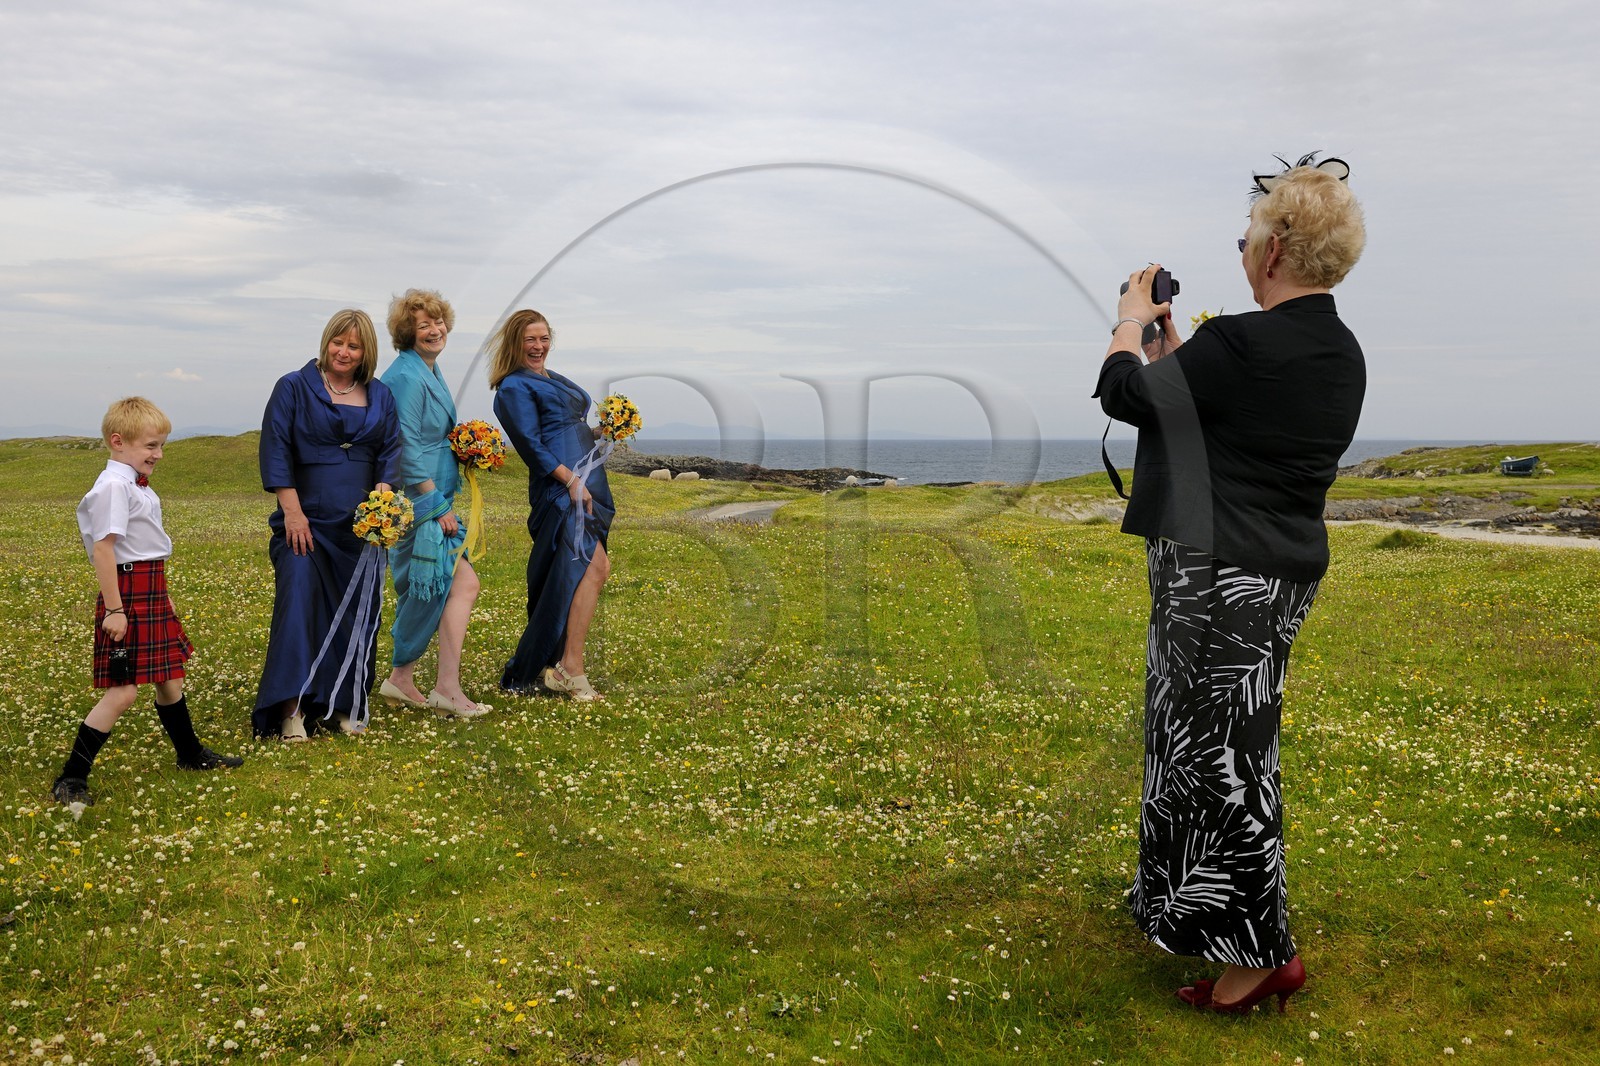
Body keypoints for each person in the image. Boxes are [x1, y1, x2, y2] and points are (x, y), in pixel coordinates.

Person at [1093, 155, 1366, 1013]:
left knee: (1213, 761)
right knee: (1229, 752)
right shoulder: (1336, 349)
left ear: (1275, 248)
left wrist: (1131, 323)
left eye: (1247, 236)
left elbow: (1125, 396)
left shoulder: (1244, 343)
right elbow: (1229, 422)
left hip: (1218, 580)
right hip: (1276, 574)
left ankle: (1257, 958)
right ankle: (1218, 927)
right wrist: (1181, 345)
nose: (1243, 250)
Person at [51, 397, 243, 806]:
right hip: (127, 592)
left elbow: (146, 548)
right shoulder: (113, 487)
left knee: (170, 680)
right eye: (151, 446)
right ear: (117, 442)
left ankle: (189, 755)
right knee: (122, 694)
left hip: (149, 587)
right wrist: (116, 609)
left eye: (161, 446)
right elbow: (105, 550)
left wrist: (164, 597)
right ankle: (71, 777)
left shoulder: (133, 483)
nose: (158, 454)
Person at [253, 309, 401, 741]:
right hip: (306, 521)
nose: (344, 351)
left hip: (361, 525)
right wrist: (292, 512)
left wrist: (382, 502)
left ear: (365, 352)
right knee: (299, 604)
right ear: (326, 342)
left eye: (354, 346)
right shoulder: (293, 387)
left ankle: (343, 704)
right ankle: (291, 710)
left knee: (357, 610)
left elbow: (390, 450)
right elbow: (275, 447)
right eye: (339, 342)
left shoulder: (381, 395)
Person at [377, 288, 491, 718]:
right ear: (408, 332)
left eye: (438, 322)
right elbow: (403, 444)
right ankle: (442, 687)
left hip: (434, 494)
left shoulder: (429, 368)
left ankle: (403, 678)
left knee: (435, 586)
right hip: (421, 500)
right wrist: (436, 503)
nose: (434, 330)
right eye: (423, 325)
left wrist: (467, 448)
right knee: (446, 584)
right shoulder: (406, 375)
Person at [490, 309, 615, 700]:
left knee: (583, 571)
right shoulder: (513, 387)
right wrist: (571, 480)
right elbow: (530, 444)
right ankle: (568, 668)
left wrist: (602, 429)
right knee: (589, 568)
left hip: (584, 481)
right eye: (530, 339)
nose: (538, 346)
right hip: (561, 490)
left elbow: (568, 426)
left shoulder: (550, 378)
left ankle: (564, 663)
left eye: (544, 338)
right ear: (515, 343)